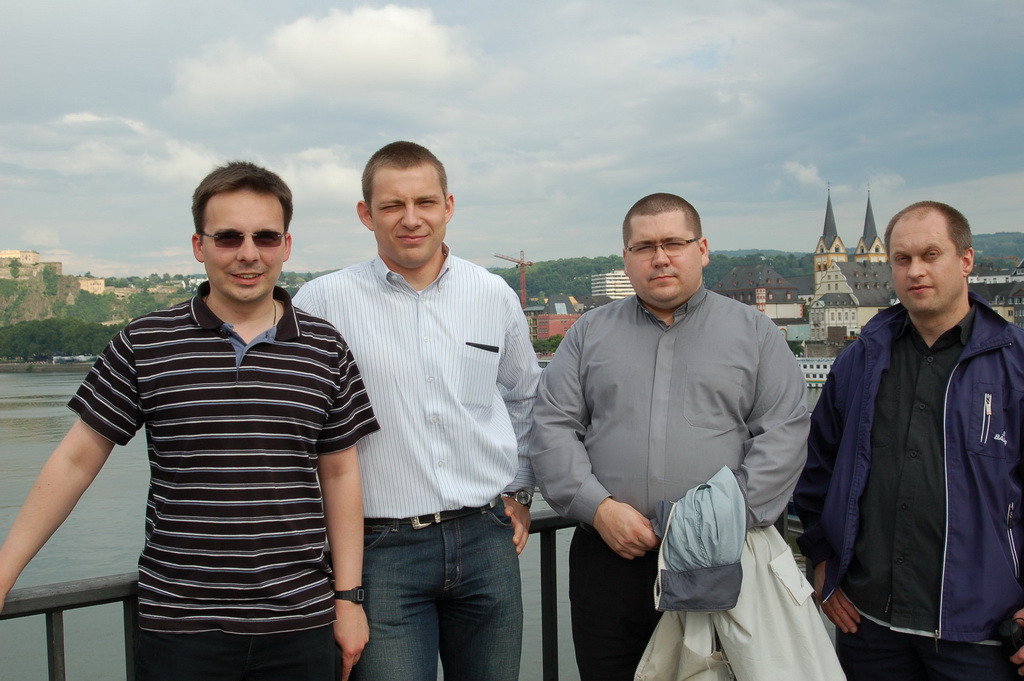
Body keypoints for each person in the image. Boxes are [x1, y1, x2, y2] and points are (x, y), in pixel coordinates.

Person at [0, 161, 380, 681]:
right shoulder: (146, 342)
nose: (248, 253)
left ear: (286, 246)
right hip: (180, 626)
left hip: (301, 621)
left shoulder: (325, 347)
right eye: (228, 237)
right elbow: (76, 460)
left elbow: (340, 472)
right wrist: (5, 571)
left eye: (265, 237)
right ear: (199, 246)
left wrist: (348, 599)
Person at [529, 192, 810, 680]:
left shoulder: (755, 334)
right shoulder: (589, 333)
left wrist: (710, 522)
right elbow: (551, 426)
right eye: (644, 247)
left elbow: (783, 437)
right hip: (609, 557)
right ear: (626, 258)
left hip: (719, 558)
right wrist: (598, 508)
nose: (659, 257)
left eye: (673, 243)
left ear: (702, 249)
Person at [293, 141, 541, 681]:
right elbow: (296, 429)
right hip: (380, 551)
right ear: (366, 214)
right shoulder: (320, 303)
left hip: (487, 539)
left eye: (425, 202)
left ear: (448, 207)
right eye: (392, 205)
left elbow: (526, 396)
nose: (411, 219)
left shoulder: (493, 294)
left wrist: (521, 492)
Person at [794, 200, 1024, 680]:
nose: (915, 270)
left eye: (930, 255)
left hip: (983, 632)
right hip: (870, 626)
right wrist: (821, 560)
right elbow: (818, 471)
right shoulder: (859, 361)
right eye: (902, 259)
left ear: (966, 260)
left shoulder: (1015, 364)